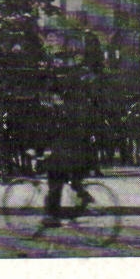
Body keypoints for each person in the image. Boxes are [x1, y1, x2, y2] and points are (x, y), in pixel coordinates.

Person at [41, 83, 94, 228]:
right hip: (74, 152)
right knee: (68, 181)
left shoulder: (59, 111)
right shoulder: (71, 109)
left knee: (55, 184)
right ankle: (81, 197)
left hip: (62, 154)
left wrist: (45, 149)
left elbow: (54, 132)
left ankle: (52, 216)